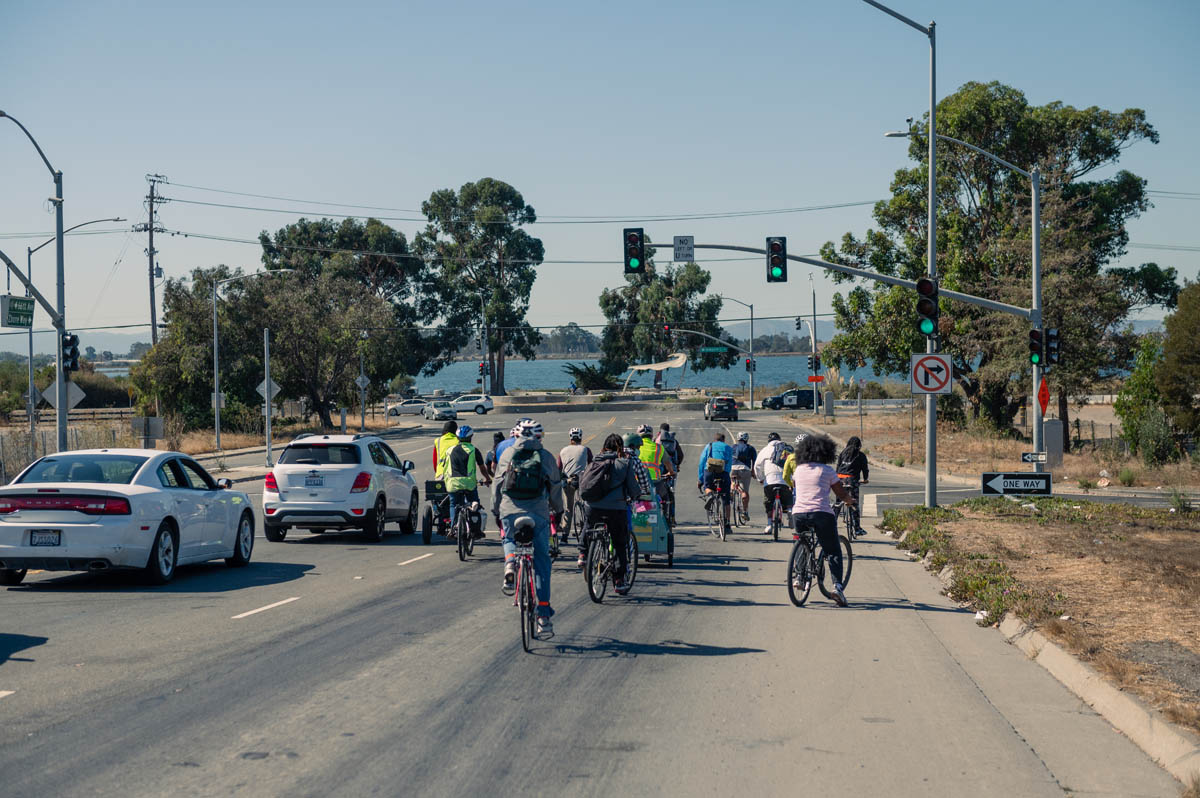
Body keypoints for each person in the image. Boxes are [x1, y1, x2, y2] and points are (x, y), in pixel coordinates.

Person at [491, 419, 563, 637]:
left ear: (518, 436)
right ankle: (543, 617)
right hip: (538, 513)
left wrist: (496, 510)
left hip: (509, 509)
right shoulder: (546, 456)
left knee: (509, 538)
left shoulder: (507, 454)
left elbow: (496, 484)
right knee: (541, 563)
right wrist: (558, 512)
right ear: (539, 437)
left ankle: (510, 563)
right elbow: (555, 488)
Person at [783, 433, 856, 607]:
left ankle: (800, 577)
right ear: (825, 453)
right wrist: (849, 501)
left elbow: (797, 487)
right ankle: (837, 587)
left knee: (802, 541)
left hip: (799, 513)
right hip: (821, 514)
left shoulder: (798, 470)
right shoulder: (827, 470)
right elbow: (840, 492)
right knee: (833, 551)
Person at [582, 433, 642, 595]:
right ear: (620, 448)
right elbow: (633, 488)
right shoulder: (624, 463)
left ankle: (584, 554)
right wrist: (636, 497)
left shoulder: (594, 461)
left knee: (588, 527)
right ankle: (619, 580)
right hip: (616, 510)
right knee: (619, 543)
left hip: (593, 507)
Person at [440, 425, 491, 539]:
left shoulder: (449, 450)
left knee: (453, 504)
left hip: (452, 484)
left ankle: (453, 528)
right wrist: (487, 478)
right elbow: (482, 468)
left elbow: (444, 467)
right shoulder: (474, 450)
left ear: (457, 438)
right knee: (474, 503)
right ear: (471, 437)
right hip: (469, 483)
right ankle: (475, 529)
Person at [754, 432, 793, 535]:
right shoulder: (786, 449)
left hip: (770, 480)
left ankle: (769, 525)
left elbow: (757, 466)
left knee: (768, 502)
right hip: (785, 480)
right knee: (788, 497)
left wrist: (760, 479)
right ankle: (789, 511)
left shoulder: (765, 450)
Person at [696, 432, 734, 535]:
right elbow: (730, 462)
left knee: (708, 487)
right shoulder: (728, 448)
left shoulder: (709, 446)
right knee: (726, 500)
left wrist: (700, 479)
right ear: (723, 440)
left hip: (709, 471)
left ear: (715, 439)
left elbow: (702, 462)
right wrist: (726, 473)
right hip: (723, 473)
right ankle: (727, 524)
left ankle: (709, 495)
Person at [557, 427, 593, 530]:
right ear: (581, 437)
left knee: (568, 508)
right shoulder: (586, 450)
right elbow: (591, 466)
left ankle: (565, 534)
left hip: (567, 482)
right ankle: (585, 529)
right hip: (581, 481)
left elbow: (558, 468)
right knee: (585, 504)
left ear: (570, 437)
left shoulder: (563, 450)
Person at [835, 436, 870, 537]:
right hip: (851, 480)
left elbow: (838, 467)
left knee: (838, 503)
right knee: (854, 504)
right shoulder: (861, 455)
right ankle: (857, 528)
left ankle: (832, 525)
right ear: (859, 446)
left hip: (839, 479)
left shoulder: (843, 453)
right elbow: (865, 469)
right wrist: (865, 479)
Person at [730, 431, 757, 521]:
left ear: (737, 438)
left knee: (733, 481)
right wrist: (753, 472)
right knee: (745, 492)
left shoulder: (733, 447)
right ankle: (744, 511)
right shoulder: (750, 448)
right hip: (744, 469)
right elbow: (755, 461)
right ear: (747, 439)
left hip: (733, 468)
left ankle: (732, 489)